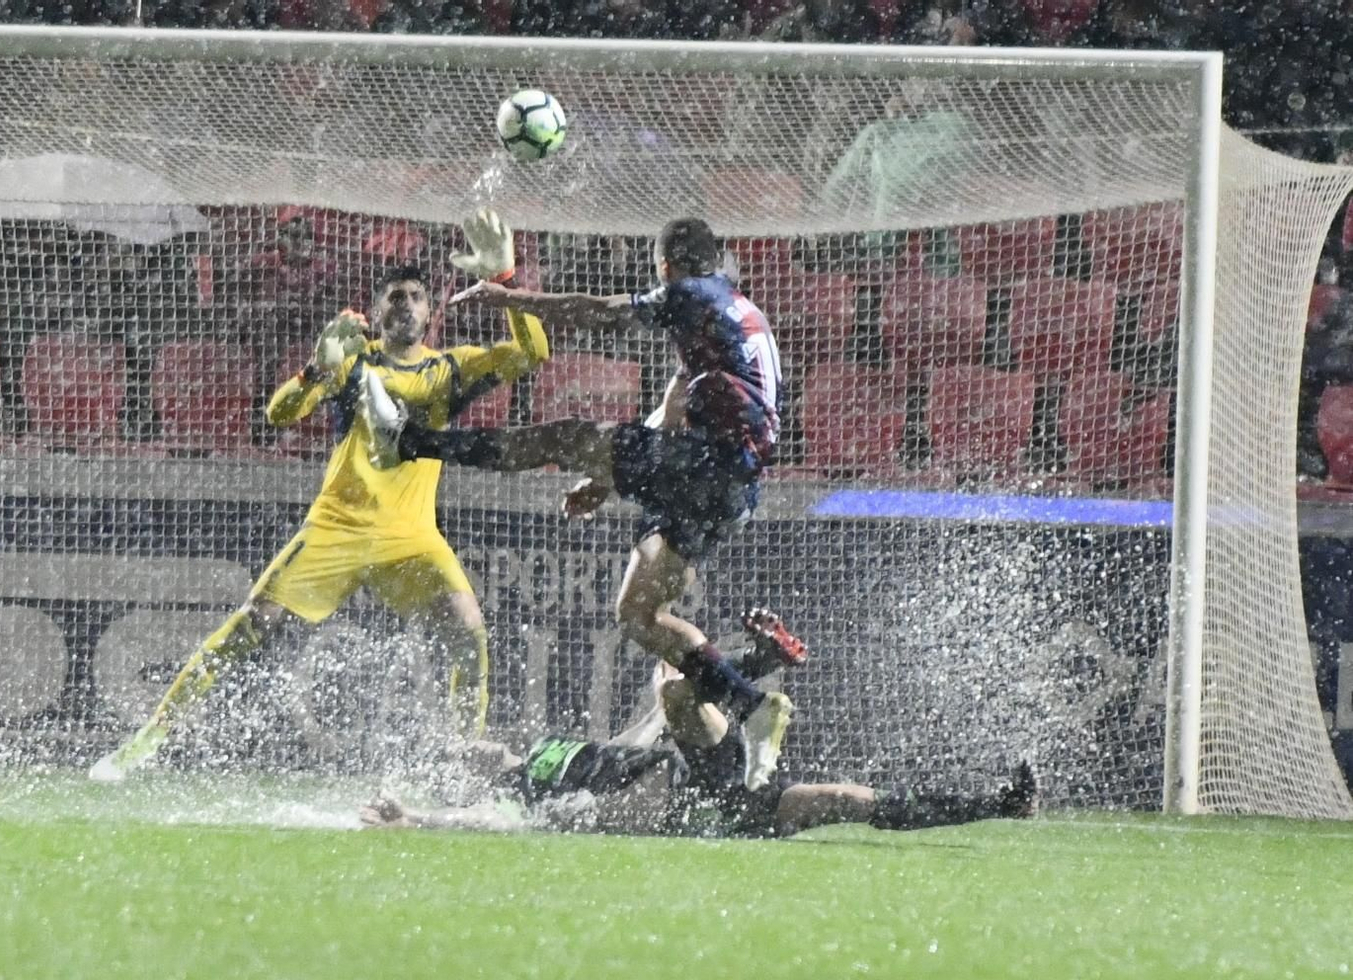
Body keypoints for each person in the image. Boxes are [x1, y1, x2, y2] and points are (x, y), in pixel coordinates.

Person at [89, 210, 548, 780]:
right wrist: (313, 369)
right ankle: (148, 740)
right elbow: (278, 414)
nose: (405, 305)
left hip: (410, 534)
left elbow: (533, 352)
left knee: (468, 628)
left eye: (415, 297)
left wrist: (505, 281)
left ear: (431, 313)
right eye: (394, 297)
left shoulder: (449, 371)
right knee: (252, 623)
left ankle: (464, 756)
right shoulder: (352, 363)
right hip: (338, 526)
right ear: (375, 312)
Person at [359, 216, 791, 790]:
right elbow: (674, 400)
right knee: (640, 614)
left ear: (665, 266)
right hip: (730, 487)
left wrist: (510, 298)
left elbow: (602, 311)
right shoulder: (738, 313)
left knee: (562, 437)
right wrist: (609, 479)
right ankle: (752, 704)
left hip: (709, 464)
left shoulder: (694, 293)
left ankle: (407, 440)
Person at [362, 609, 1038, 838]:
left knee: (674, 688)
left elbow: (646, 727)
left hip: (702, 781)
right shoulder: (520, 796)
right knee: (843, 799)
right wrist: (417, 818)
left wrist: (753, 658)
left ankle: (1000, 802)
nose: (474, 748)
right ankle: (759, 696)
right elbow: (484, 821)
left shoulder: (556, 750)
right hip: (687, 805)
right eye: (466, 756)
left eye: (467, 749)